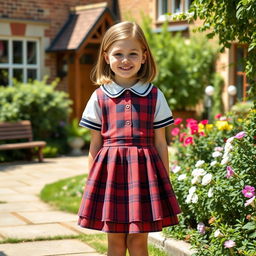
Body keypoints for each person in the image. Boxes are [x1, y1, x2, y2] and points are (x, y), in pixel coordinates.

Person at [78, 21, 181, 256]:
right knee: (114, 242)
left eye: (133, 53)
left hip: (144, 178)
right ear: (106, 57)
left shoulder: (155, 95)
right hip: (110, 178)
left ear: (144, 57)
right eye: (118, 54)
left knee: (137, 241)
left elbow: (160, 143)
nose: (125, 60)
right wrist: (92, 182)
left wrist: (165, 181)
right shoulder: (99, 97)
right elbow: (95, 144)